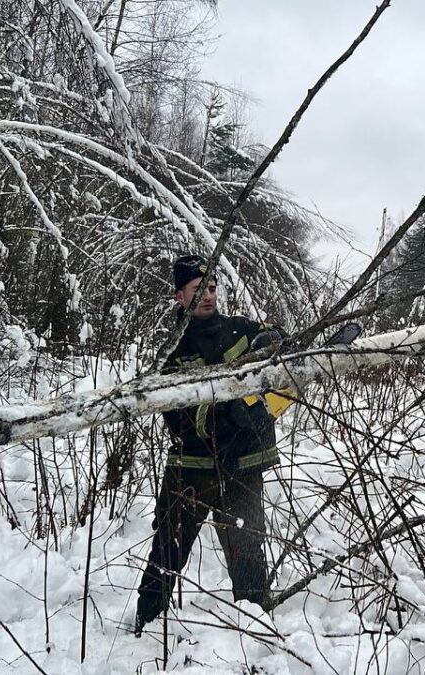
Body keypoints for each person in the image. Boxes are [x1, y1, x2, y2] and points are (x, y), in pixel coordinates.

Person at [132, 254, 285, 635]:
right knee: (168, 550)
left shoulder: (241, 329)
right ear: (179, 296)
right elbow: (173, 415)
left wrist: (275, 342)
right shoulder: (171, 349)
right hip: (191, 468)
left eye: (213, 288)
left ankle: (257, 634)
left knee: (248, 553)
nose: (208, 296)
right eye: (198, 290)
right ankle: (145, 626)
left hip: (242, 466)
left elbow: (280, 349)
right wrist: (221, 416)